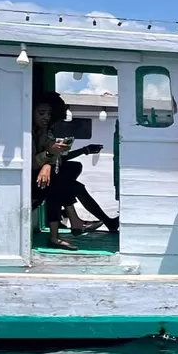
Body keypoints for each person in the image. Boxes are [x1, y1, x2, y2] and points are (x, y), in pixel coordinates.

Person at [31, 92, 115, 250]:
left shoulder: (44, 131)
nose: (46, 118)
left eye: (49, 114)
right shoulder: (28, 134)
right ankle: (73, 224)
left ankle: (70, 226)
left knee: (69, 175)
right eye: (41, 113)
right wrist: (49, 156)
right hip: (30, 181)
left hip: (45, 179)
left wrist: (48, 163)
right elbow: (32, 163)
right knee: (62, 183)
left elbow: (57, 158)